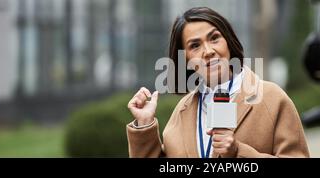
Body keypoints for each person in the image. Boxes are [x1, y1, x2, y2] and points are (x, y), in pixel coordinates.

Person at [126, 7, 309, 158]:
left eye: (214, 38)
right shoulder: (182, 113)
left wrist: (238, 152)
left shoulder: (272, 99)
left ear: (228, 42)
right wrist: (144, 125)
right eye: (195, 46)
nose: (208, 51)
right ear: (185, 60)